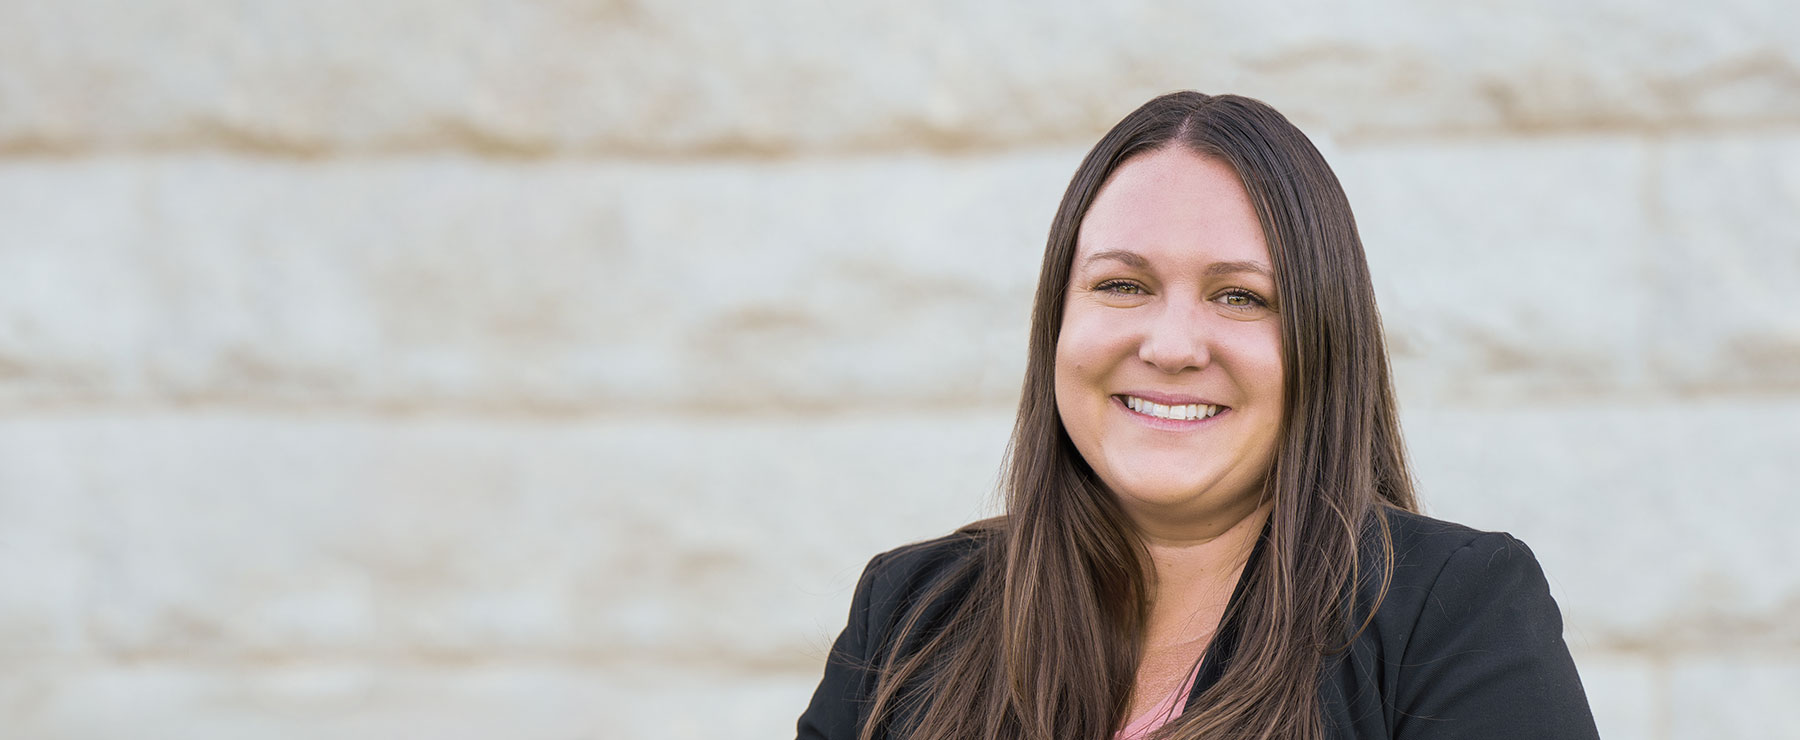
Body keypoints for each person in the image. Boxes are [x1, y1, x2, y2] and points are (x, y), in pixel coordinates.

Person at [795, 91, 1599, 740]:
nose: (1173, 345)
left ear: (1324, 344)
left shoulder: (1451, 611)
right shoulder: (908, 614)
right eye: (1123, 285)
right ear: (1056, 328)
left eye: (1240, 297)